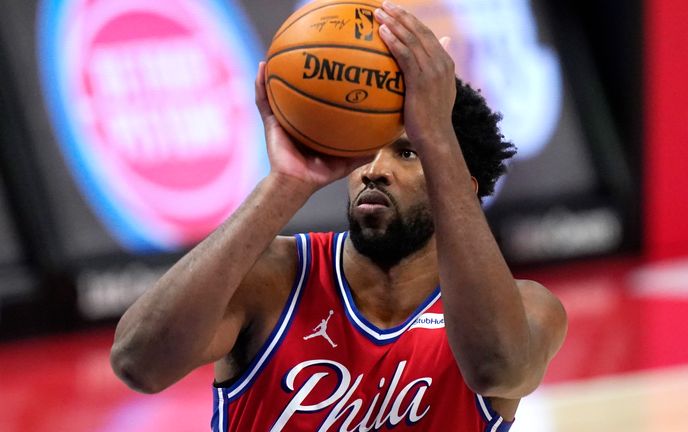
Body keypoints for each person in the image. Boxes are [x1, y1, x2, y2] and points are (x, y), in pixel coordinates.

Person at [110, 2, 567, 431]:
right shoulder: (274, 278)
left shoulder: (526, 309)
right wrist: (283, 185)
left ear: (458, 183)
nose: (374, 170)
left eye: (407, 152)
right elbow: (138, 363)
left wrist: (437, 135)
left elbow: (496, 367)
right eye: (366, 152)